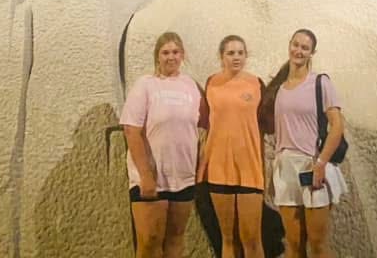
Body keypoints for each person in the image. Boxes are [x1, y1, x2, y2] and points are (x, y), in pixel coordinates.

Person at [260, 29, 346, 258]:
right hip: (286, 167)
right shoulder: (278, 88)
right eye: (295, 45)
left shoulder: (320, 82)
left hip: (312, 165)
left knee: (317, 244)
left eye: (304, 47)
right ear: (289, 45)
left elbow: (337, 126)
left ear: (312, 53)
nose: (298, 50)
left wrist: (320, 163)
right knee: (293, 242)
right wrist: (274, 172)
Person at [120, 31, 206, 258]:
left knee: (175, 240)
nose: (171, 57)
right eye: (165, 52)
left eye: (175, 52)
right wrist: (146, 176)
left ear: (183, 55)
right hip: (151, 179)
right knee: (149, 242)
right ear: (157, 56)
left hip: (183, 176)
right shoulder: (145, 85)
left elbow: (203, 127)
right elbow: (131, 130)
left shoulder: (191, 87)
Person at [198, 35, 265, 258]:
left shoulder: (256, 84)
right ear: (221, 56)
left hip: (250, 169)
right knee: (228, 239)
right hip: (218, 168)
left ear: (246, 56)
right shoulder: (211, 84)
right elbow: (206, 124)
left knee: (252, 239)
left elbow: (267, 124)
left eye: (240, 53)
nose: (236, 57)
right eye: (230, 53)